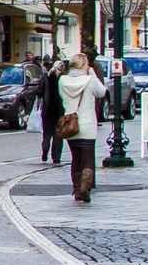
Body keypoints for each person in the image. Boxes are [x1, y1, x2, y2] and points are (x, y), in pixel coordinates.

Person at [57, 52, 107, 203]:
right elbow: (102, 92)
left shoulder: (62, 81)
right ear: (81, 65)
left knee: (76, 158)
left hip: (71, 125)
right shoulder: (90, 80)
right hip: (87, 125)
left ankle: (77, 189)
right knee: (88, 158)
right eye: (86, 64)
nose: (89, 67)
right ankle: (86, 187)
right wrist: (92, 73)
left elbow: (62, 97)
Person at [38, 61, 68, 166]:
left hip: (47, 110)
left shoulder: (46, 77)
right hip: (60, 110)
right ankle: (56, 157)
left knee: (47, 133)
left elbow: (40, 92)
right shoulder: (63, 79)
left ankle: (45, 148)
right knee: (58, 135)